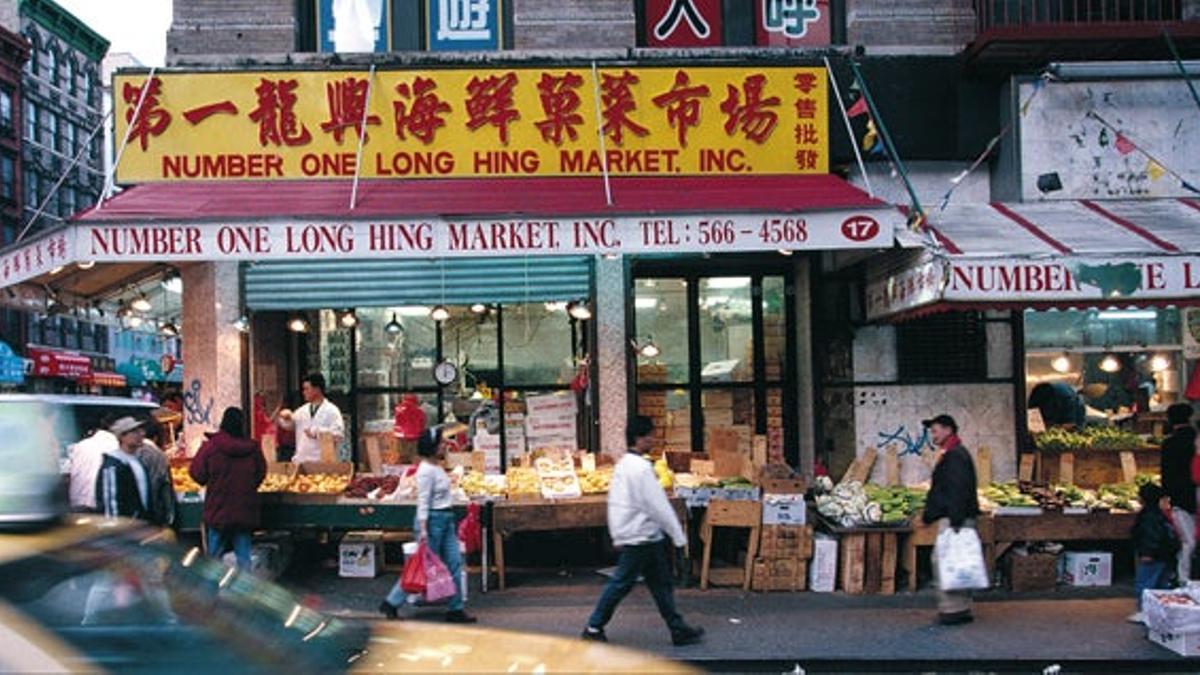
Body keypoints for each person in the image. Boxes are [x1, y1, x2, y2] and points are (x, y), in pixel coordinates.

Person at [582, 416, 704, 647]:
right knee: (623, 583)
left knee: (659, 584)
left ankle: (678, 628)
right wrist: (678, 535)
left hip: (638, 534)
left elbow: (616, 502)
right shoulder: (640, 468)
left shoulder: (624, 465)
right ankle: (594, 626)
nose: (653, 438)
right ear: (640, 437)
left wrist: (617, 531)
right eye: (650, 434)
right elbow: (657, 504)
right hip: (642, 535)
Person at [379, 427, 476, 624]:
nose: (444, 446)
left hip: (446, 519)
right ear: (431, 447)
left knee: (455, 563)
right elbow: (423, 501)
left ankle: (455, 609)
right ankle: (391, 602)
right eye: (440, 443)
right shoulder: (425, 471)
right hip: (432, 521)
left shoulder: (437, 467)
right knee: (422, 566)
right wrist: (423, 529)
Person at [921, 413, 981, 626]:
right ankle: (960, 608)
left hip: (955, 519)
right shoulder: (954, 453)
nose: (933, 436)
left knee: (945, 562)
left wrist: (955, 520)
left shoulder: (955, 456)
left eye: (935, 431)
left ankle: (952, 610)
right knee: (957, 562)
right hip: (957, 518)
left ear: (948, 430)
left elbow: (957, 489)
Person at [189, 408, 267, 570]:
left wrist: (211, 481)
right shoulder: (252, 449)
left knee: (213, 559)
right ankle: (243, 593)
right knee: (244, 556)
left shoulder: (210, 447)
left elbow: (196, 473)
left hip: (218, 510)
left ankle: (210, 592)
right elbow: (260, 474)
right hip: (244, 510)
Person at [1130, 483, 1180, 624]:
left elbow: (1151, 536)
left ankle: (1144, 611)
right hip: (1165, 555)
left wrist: (1147, 553)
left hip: (1153, 556)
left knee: (1146, 584)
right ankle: (1162, 612)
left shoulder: (1148, 516)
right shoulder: (1160, 515)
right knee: (1161, 584)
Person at [1161, 403, 1196, 584]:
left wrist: (1166, 497)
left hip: (1181, 499)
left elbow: (1167, 475)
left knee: (1188, 541)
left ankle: (1184, 579)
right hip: (1195, 494)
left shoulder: (1169, 444)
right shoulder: (1195, 440)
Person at [277, 374, 344, 463]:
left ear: (317, 389)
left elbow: (338, 434)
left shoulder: (332, 411)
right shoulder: (302, 411)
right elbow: (290, 426)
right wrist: (286, 418)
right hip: (301, 460)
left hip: (321, 462)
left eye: (307, 389)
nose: (304, 392)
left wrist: (317, 432)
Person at [95, 417, 151, 520]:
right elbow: (110, 502)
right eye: (134, 432)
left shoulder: (138, 461)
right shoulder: (112, 465)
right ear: (122, 437)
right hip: (124, 527)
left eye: (141, 431)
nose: (141, 434)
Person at [68, 413, 118, 513]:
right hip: (102, 503)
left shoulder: (80, 445)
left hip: (78, 501)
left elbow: (68, 472)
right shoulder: (116, 447)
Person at [136, 415, 176, 527]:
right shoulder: (159, 456)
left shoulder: (131, 450)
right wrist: (169, 518)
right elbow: (165, 488)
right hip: (153, 513)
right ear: (156, 437)